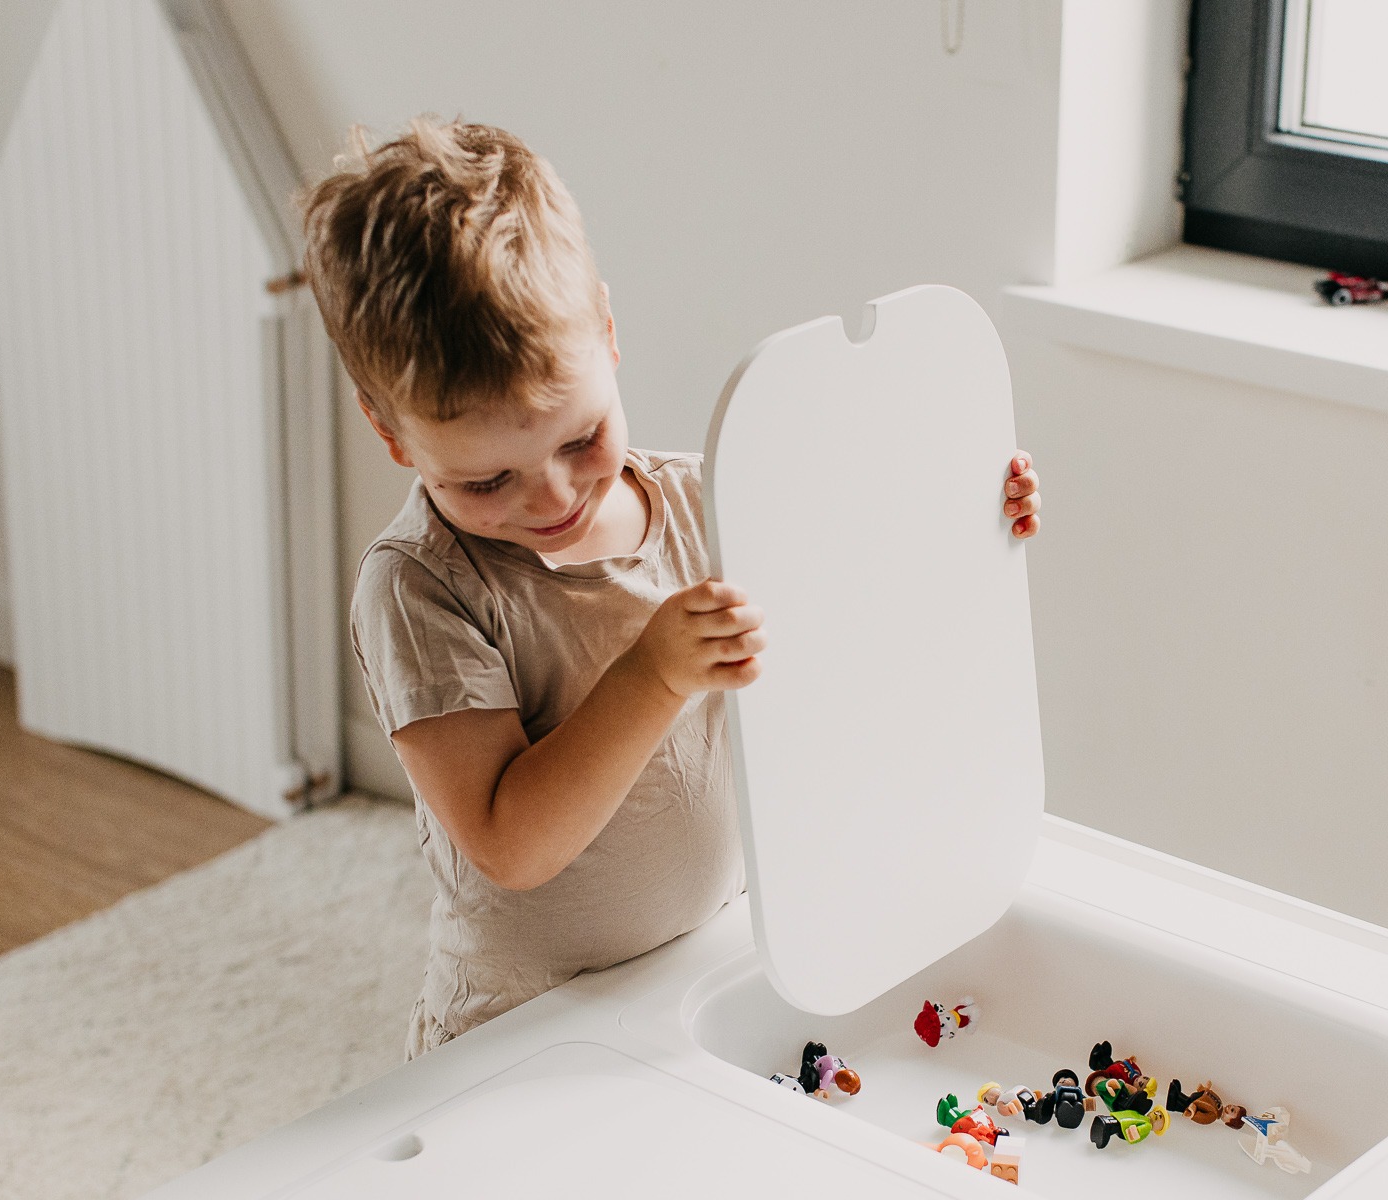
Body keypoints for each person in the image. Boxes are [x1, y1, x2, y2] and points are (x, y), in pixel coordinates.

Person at [301, 118, 1042, 1057]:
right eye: (486, 481)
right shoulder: (421, 586)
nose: (554, 496)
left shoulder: (705, 499)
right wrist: (651, 673)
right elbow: (511, 842)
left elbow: (853, 619)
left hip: (710, 970)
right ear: (392, 434)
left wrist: (966, 516)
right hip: (525, 1026)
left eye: (580, 439)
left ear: (608, 334)